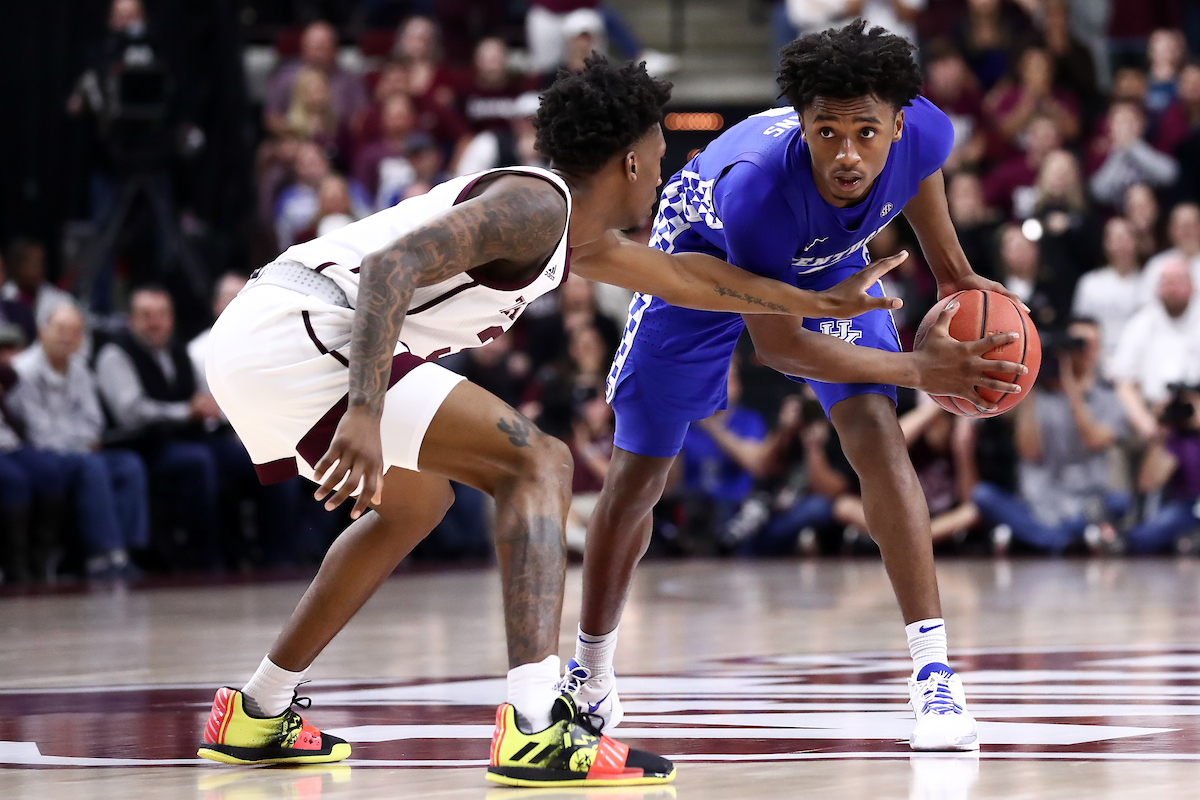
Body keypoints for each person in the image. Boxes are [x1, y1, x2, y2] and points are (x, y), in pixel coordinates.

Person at [197, 56, 944, 784]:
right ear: (627, 161)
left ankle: (256, 710)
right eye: (657, 154)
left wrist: (818, 304)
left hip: (281, 341)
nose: (663, 170)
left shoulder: (573, 237)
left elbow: (686, 277)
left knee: (416, 506)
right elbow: (391, 270)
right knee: (540, 463)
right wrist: (364, 410)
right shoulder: (534, 206)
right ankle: (533, 729)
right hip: (303, 331)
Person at [572, 22, 1031, 754]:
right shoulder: (759, 188)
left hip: (821, 262)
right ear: (803, 125)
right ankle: (589, 674)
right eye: (827, 132)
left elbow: (923, 168)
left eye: (865, 132)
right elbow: (782, 345)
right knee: (639, 474)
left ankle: (934, 674)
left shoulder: (925, 131)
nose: (847, 153)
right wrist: (920, 370)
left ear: (898, 125)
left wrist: (951, 271)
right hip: (704, 266)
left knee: (878, 438)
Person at [9, 304, 149, 579]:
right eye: (61, 330)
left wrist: (81, 441)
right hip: (39, 458)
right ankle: (103, 555)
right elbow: (39, 434)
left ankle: (127, 550)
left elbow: (94, 423)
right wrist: (81, 442)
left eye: (75, 332)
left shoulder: (81, 369)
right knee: (92, 466)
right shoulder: (22, 372)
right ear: (42, 332)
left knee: (128, 464)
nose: (67, 337)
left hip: (77, 453)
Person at [973, 317, 1130, 554]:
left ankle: (1047, 541)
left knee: (1120, 502)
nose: (1078, 352)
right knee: (983, 495)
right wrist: (1031, 383)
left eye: (1085, 344)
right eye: (1075, 344)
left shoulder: (1108, 395)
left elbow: (1093, 439)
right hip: (1040, 504)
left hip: (1086, 503)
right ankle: (1066, 542)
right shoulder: (1037, 397)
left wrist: (1071, 388)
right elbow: (1030, 452)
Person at [95, 287, 223, 570]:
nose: (156, 322)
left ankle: (271, 551)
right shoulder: (115, 354)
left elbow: (203, 397)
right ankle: (203, 559)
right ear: (130, 320)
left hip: (182, 439)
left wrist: (210, 408)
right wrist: (186, 411)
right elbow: (130, 412)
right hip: (140, 446)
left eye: (162, 315)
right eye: (146, 316)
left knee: (247, 457)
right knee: (198, 462)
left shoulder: (180, 352)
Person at [1111, 256, 1200, 439]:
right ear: (1157, 288)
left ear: (1192, 286)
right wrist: (1146, 423)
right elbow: (1123, 382)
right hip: (1152, 412)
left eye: (1179, 281)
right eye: (1167, 282)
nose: (1172, 289)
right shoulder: (1140, 323)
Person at [1071, 217, 1146, 372]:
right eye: (1114, 238)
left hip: (1140, 365)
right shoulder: (1090, 283)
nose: (1120, 244)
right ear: (1106, 243)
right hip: (1097, 366)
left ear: (1136, 241)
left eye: (1125, 237)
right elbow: (1078, 328)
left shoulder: (1149, 281)